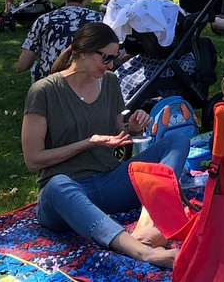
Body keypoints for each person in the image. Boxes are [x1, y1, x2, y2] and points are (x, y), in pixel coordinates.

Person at [21, 23, 189, 268]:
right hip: (65, 197)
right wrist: (87, 143)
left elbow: (115, 135)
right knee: (57, 185)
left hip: (108, 182)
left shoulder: (109, 82)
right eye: (106, 57)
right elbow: (33, 160)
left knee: (177, 140)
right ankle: (143, 252)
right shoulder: (44, 91)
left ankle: (150, 223)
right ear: (83, 51)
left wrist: (132, 128)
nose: (111, 64)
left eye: (114, 58)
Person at [16, 0, 103, 81]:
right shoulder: (99, 20)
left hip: (51, 86)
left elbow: (23, 65)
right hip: (86, 85)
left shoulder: (44, 20)